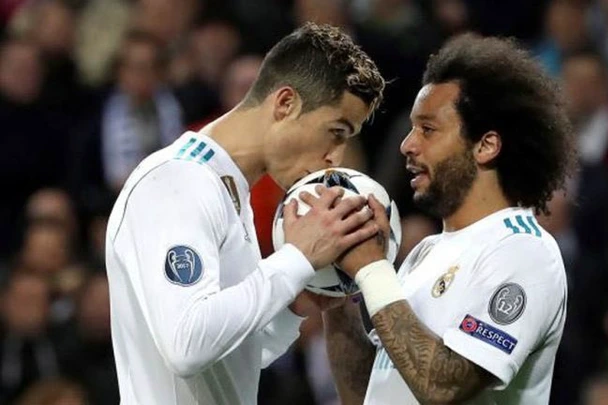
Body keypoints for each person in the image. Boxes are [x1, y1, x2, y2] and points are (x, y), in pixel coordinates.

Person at [104, 23, 385, 405]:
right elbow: (186, 345)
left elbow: (231, 358)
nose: (335, 158)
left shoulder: (227, 187)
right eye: (336, 131)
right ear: (285, 103)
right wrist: (296, 259)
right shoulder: (177, 181)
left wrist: (296, 297)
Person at [322, 33, 574, 404]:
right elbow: (368, 395)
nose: (407, 144)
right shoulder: (425, 253)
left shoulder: (523, 251)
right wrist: (338, 297)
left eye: (427, 129)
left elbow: (443, 387)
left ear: (486, 145)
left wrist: (372, 269)